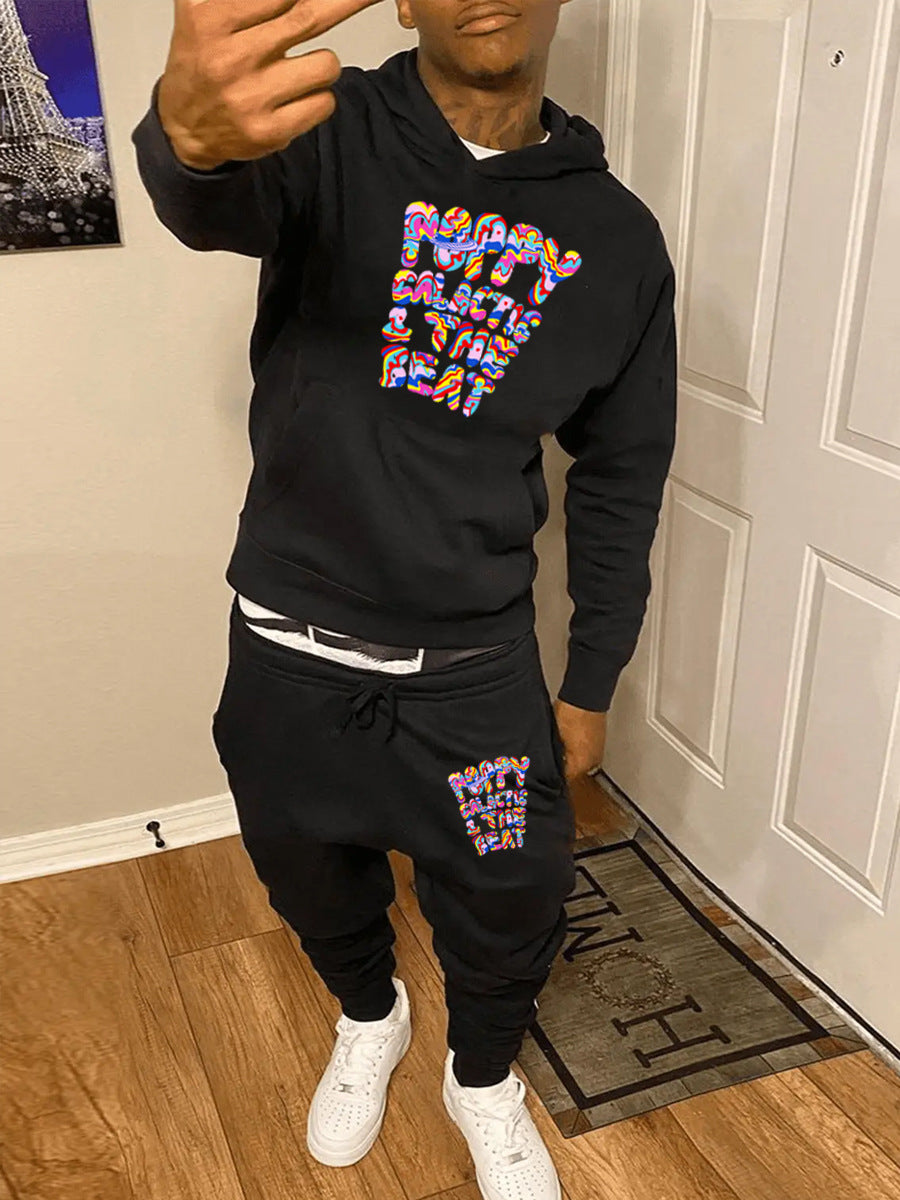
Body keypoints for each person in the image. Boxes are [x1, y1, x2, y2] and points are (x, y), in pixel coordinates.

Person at [132, 0, 677, 1195]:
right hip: (291, 666)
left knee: (510, 882)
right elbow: (209, 200)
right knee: (303, 868)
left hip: (474, 693)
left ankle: (481, 1079)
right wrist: (185, 143)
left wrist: (590, 682)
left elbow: (622, 479)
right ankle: (369, 1015)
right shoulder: (322, 133)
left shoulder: (619, 238)